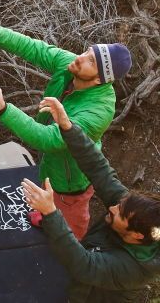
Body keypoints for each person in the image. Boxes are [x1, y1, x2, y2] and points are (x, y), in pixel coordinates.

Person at [0, 13, 132, 240]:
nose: (81, 57)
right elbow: (35, 48)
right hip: (51, 165)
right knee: (48, 189)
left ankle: (75, 243)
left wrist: (3, 108)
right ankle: (47, 214)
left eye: (91, 61)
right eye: (88, 51)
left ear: (100, 79)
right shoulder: (72, 66)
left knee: (71, 213)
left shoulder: (99, 110)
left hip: (72, 179)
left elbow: (49, 139)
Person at [22, 96, 160, 302]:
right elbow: (98, 168)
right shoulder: (128, 208)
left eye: (119, 213)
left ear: (138, 236)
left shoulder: (135, 269)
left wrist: (50, 212)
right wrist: (68, 127)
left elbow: (84, 265)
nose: (112, 208)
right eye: (119, 204)